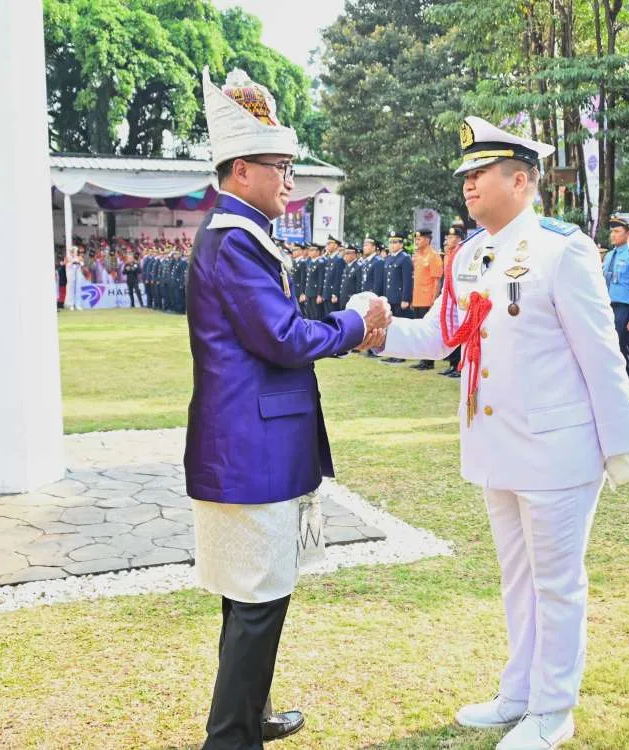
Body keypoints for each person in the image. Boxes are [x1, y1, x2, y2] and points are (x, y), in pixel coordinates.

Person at [364, 115, 629, 750]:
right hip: (496, 447)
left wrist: (619, 446)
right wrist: (374, 330)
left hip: (558, 448)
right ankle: (518, 693)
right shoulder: (469, 253)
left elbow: (601, 353)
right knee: (517, 579)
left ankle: (553, 708)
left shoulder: (561, 247)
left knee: (556, 581)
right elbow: (444, 336)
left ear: (521, 180)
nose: (468, 184)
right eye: (466, 174)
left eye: (480, 172)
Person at [186, 68, 391, 750]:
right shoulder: (235, 240)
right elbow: (283, 337)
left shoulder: (237, 233)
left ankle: (251, 714)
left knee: (250, 594)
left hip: (248, 442)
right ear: (240, 169)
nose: (291, 183)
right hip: (252, 448)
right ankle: (232, 738)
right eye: (280, 167)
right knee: (257, 603)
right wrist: (357, 321)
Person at [602, 213, 629, 384]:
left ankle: (625, 388)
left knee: (621, 350)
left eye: (617, 231)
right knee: (608, 350)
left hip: (624, 308)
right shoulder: (609, 256)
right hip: (608, 307)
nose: (613, 235)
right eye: (612, 231)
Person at [410, 229, 444, 370]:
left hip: (428, 299)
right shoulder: (417, 256)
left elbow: (437, 281)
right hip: (418, 298)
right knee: (420, 330)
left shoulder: (433, 256)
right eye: (416, 239)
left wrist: (434, 300)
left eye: (419, 239)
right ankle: (423, 359)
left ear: (427, 239)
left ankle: (429, 361)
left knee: (428, 330)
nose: (417, 242)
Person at [380, 231, 413, 363]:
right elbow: (385, 281)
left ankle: (401, 354)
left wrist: (405, 298)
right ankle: (393, 352)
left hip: (399, 298)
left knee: (400, 326)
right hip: (390, 297)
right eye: (391, 242)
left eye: (395, 242)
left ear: (401, 244)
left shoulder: (404, 258)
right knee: (391, 326)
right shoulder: (388, 258)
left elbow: (407, 281)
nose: (392, 245)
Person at [441, 225, 465, 377]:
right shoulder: (448, 254)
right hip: (448, 295)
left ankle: (458, 366)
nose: (449, 240)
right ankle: (452, 363)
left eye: (453, 238)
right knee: (451, 329)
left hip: (459, 297)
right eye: (448, 238)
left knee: (460, 330)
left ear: (459, 239)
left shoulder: (463, 253)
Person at [64, 245, 84, 311]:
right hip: (71, 274)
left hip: (78, 273)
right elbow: (66, 264)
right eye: (72, 251)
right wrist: (72, 262)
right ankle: (71, 305)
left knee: (78, 288)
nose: (74, 252)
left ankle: (77, 304)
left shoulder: (79, 257)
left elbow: (82, 264)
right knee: (71, 289)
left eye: (75, 251)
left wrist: (78, 262)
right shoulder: (68, 258)